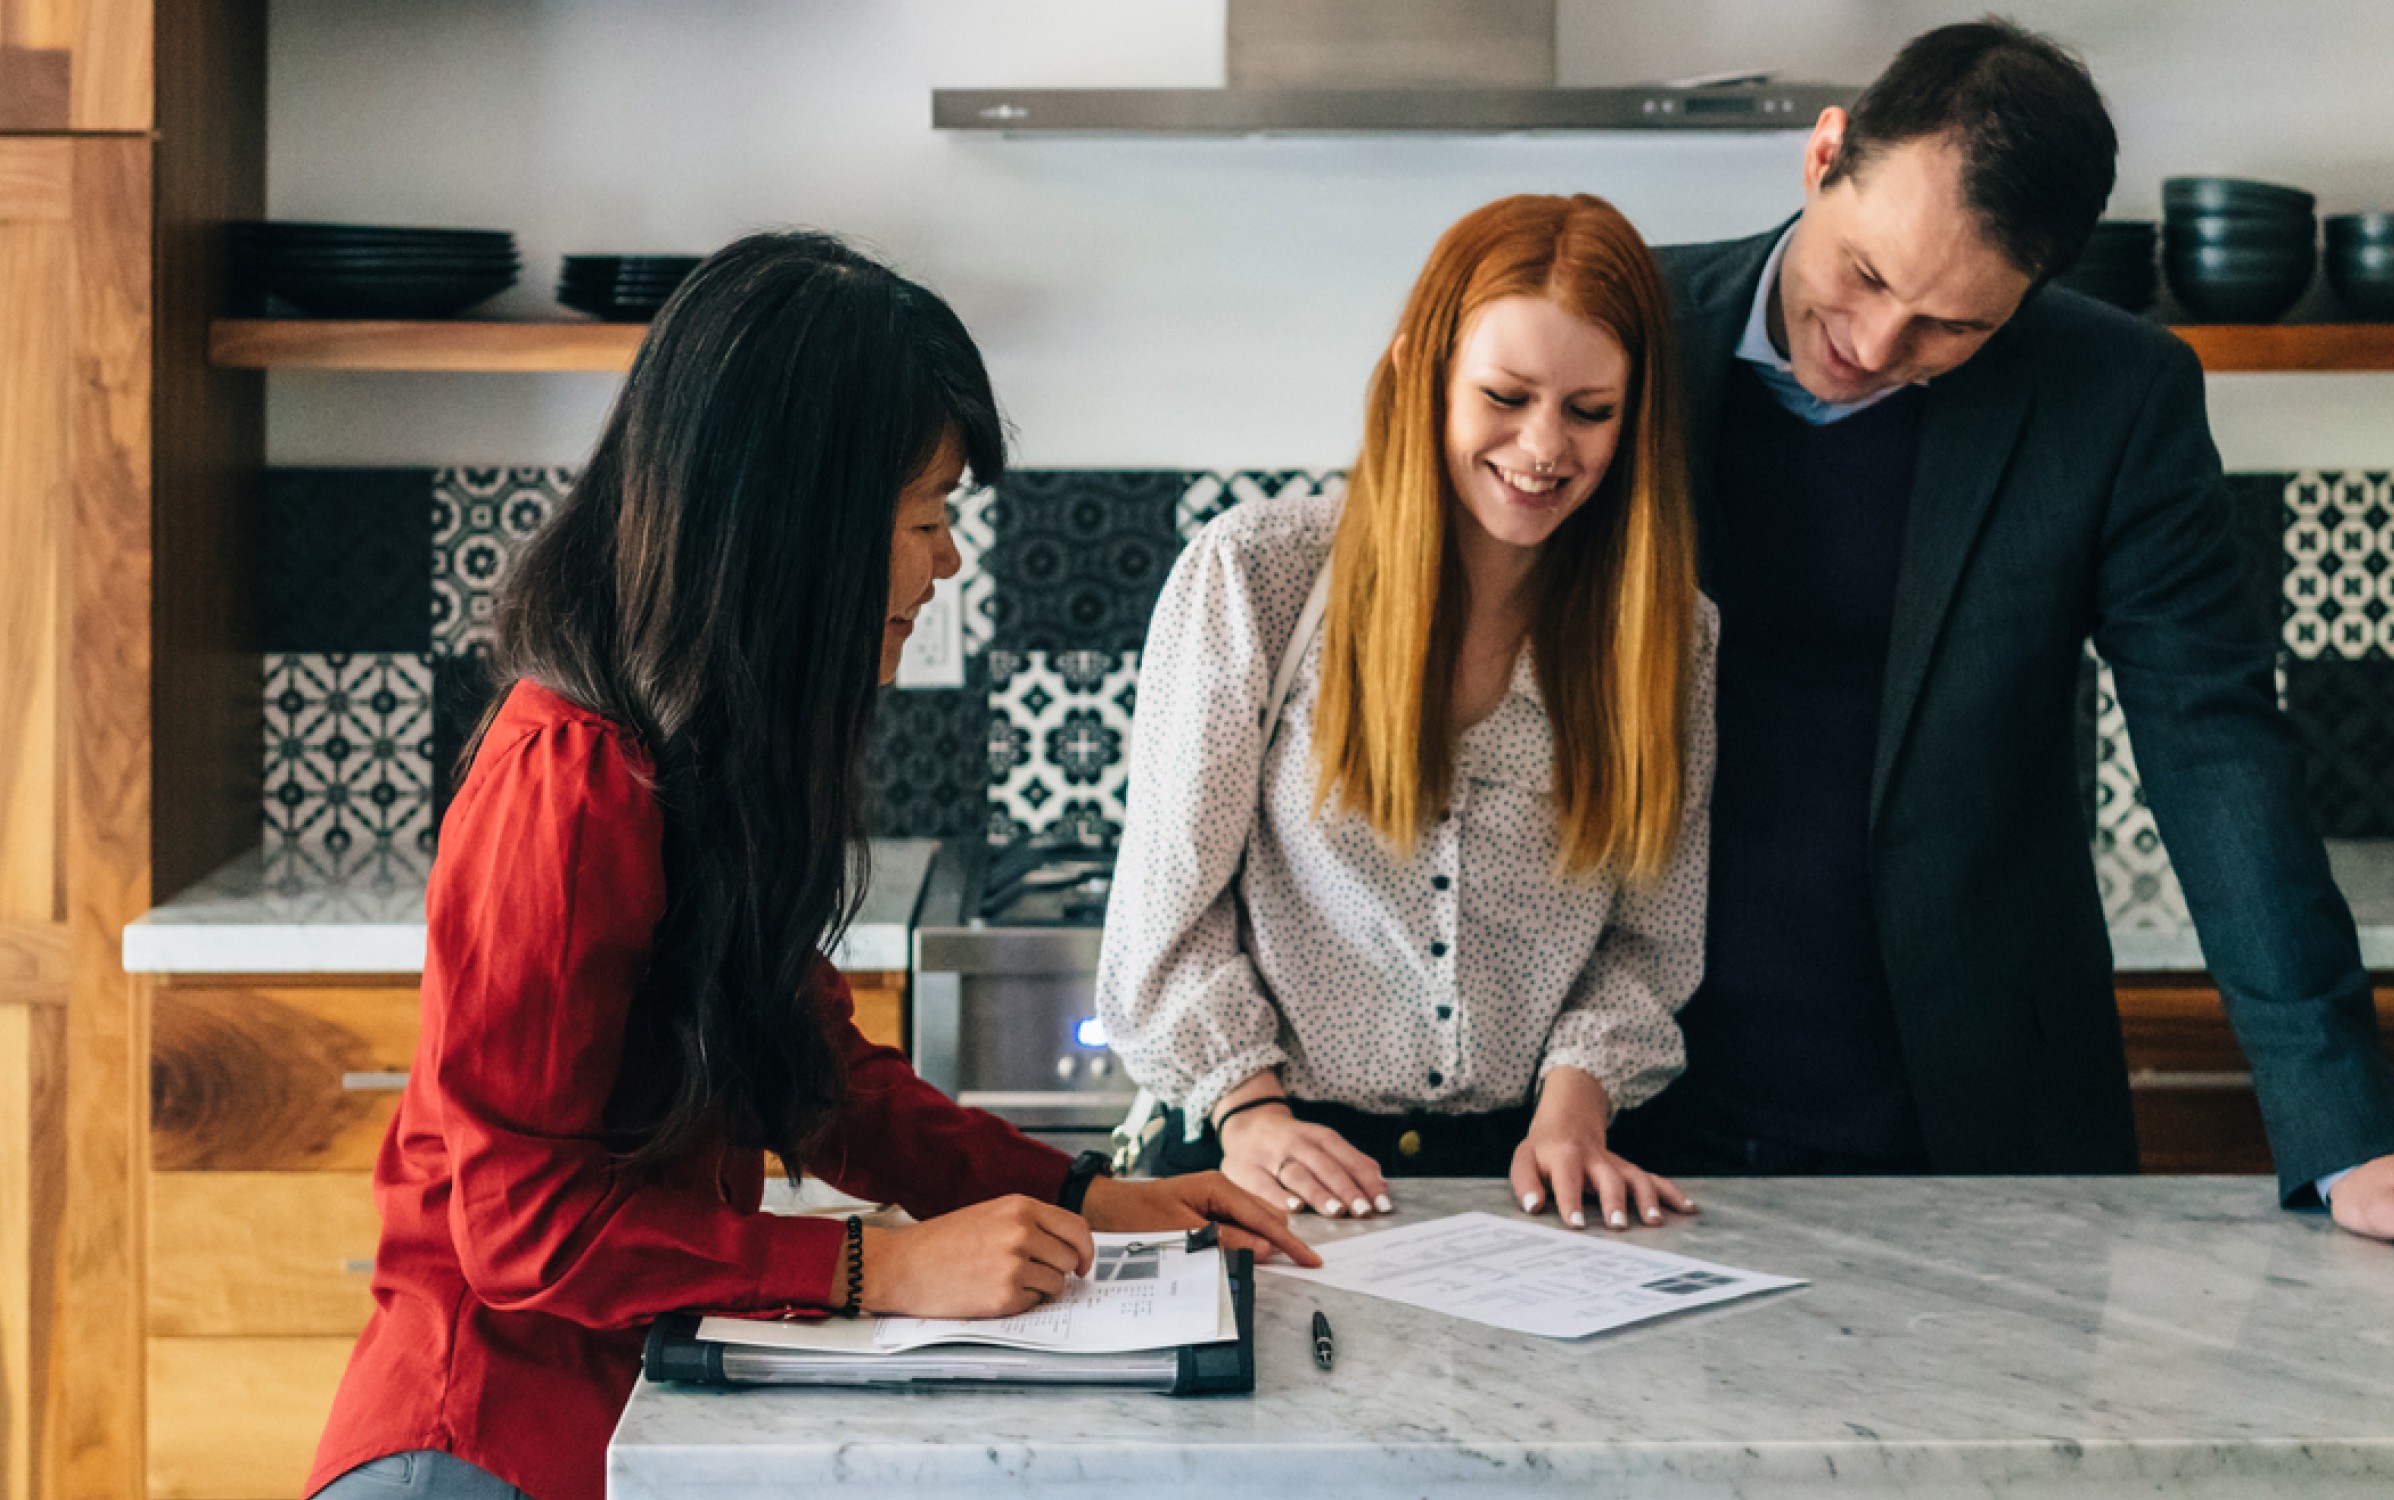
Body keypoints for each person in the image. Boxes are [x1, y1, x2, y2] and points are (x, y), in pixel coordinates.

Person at [306, 233, 1314, 1500]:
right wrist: (872, 1268)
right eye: (927, 518)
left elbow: (817, 1079)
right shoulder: (571, 785)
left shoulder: (706, 752)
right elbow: (521, 1228)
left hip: (636, 1399)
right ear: (798, 527)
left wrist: (1088, 1193)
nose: (948, 563)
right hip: (487, 1440)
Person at [1608, 19, 2394, 1256]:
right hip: (1615, 1110)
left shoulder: (2114, 398)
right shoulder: (1618, 331)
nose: (1881, 349)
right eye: (1869, 275)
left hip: (1978, 1118)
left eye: (1958, 328)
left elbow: (2213, 749)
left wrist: (2349, 1129)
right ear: (1825, 156)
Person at [1098, 194, 1716, 1232]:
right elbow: (1165, 914)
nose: (1543, 446)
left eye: (1590, 411)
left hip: (1529, 1177)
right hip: (1254, 1155)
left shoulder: (1669, 634)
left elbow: (1652, 939)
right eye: (1506, 396)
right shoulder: (1258, 573)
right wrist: (1249, 1108)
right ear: (1416, 374)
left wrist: (1577, 1105)